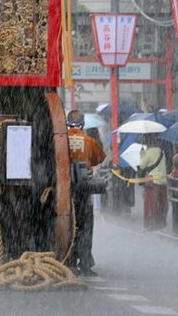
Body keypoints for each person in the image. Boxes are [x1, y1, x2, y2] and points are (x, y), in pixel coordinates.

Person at [65, 110, 105, 275]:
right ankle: (85, 262)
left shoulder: (61, 140)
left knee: (69, 225)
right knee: (85, 226)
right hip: (84, 190)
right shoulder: (89, 141)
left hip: (65, 191)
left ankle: (69, 259)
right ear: (82, 125)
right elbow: (98, 159)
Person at [138, 135, 167, 231]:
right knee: (161, 203)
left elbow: (142, 166)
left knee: (151, 204)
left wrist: (142, 154)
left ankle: (151, 224)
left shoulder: (149, 152)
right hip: (162, 181)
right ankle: (161, 224)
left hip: (153, 181)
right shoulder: (161, 151)